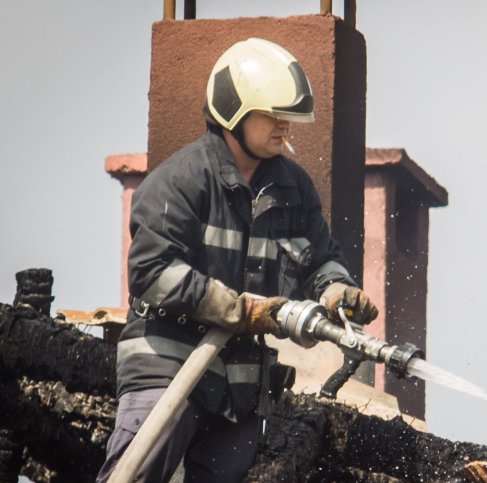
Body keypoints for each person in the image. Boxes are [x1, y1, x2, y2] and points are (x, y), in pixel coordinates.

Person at [97, 37, 378, 482]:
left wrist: (338, 291)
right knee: (136, 473)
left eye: (287, 116)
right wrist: (238, 310)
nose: (284, 126)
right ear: (233, 111)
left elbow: (319, 259)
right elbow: (150, 271)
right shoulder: (181, 181)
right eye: (272, 114)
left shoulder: (294, 189)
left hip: (240, 387)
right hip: (167, 367)